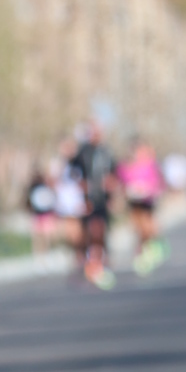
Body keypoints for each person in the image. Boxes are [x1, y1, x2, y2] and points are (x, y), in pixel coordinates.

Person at [69, 120, 118, 288]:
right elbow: (73, 172)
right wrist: (81, 188)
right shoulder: (82, 152)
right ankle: (86, 263)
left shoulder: (106, 152)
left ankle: (100, 263)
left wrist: (112, 191)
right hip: (86, 198)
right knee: (86, 233)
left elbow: (114, 175)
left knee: (100, 231)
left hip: (101, 198)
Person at [115, 135, 165, 273]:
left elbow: (157, 182)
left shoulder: (150, 164)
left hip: (148, 201)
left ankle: (150, 248)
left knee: (149, 228)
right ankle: (141, 252)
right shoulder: (125, 165)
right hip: (134, 202)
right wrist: (126, 191)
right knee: (139, 229)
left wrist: (150, 189)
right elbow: (121, 182)